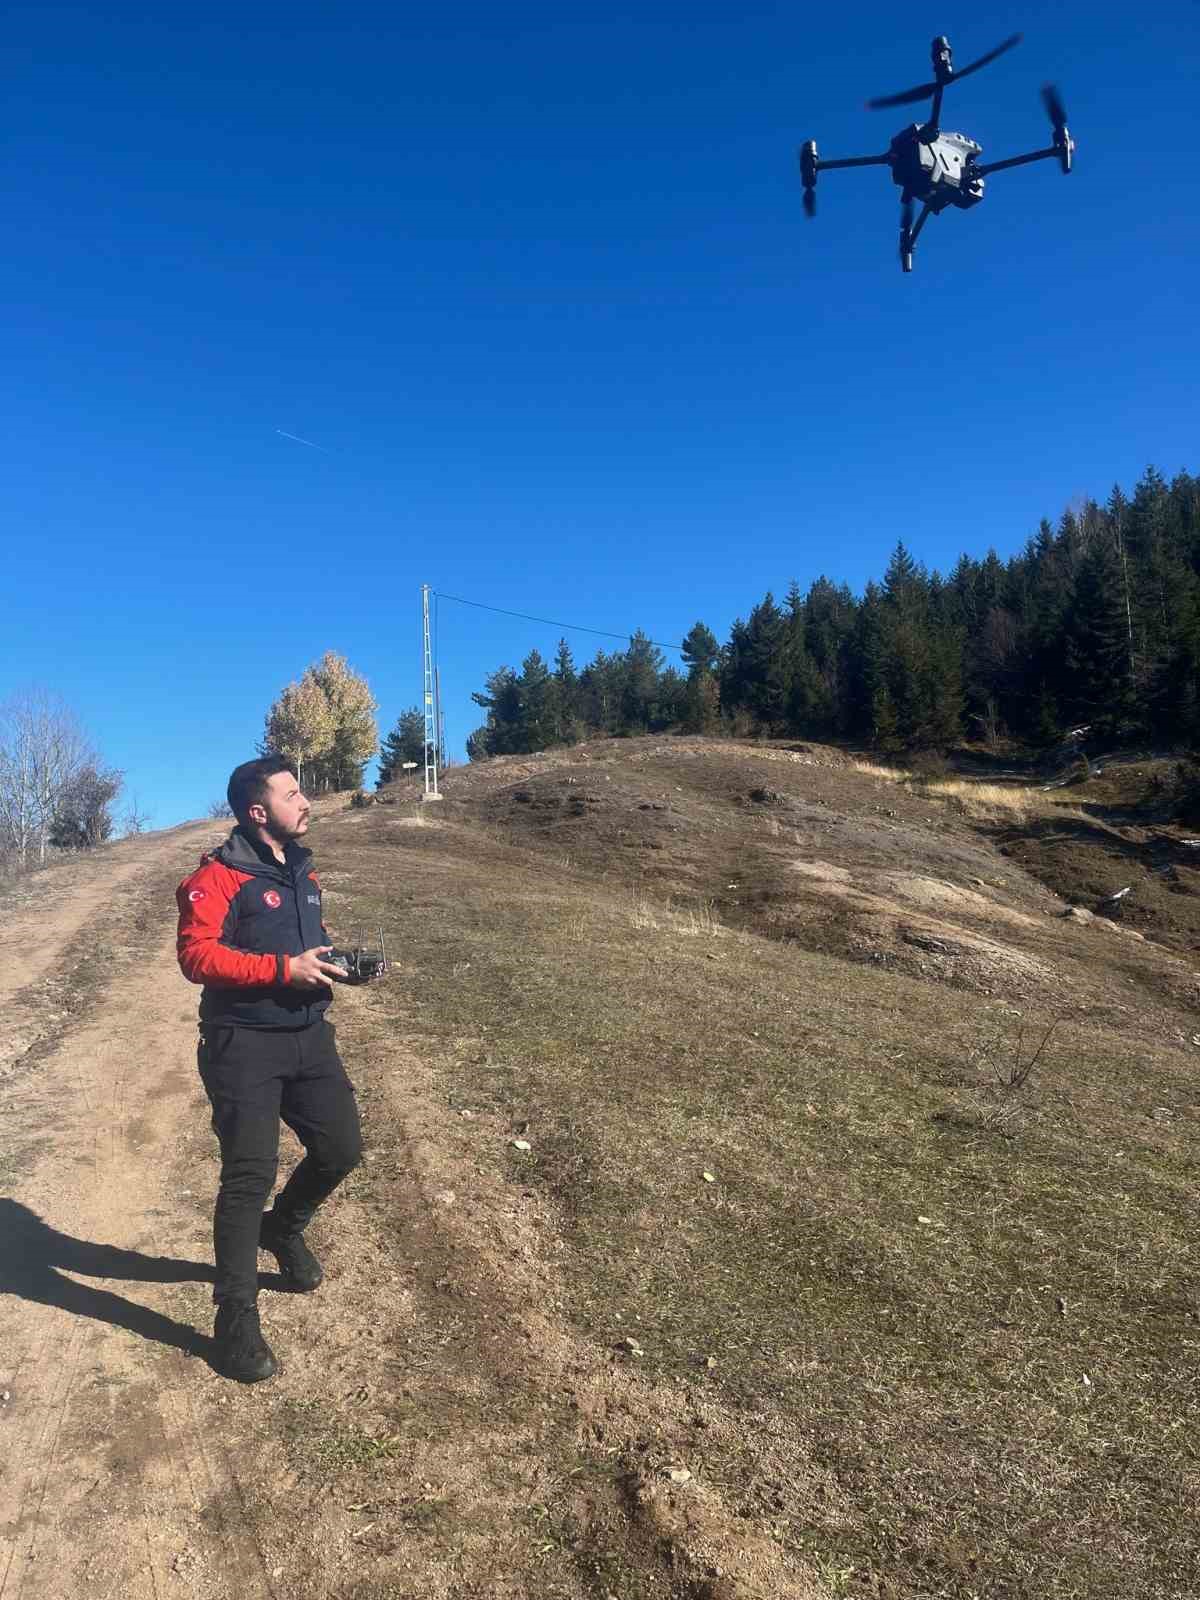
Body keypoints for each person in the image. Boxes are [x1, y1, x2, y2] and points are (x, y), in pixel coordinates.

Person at [175, 755, 377, 1382]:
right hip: (244, 1045)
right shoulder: (217, 875)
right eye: (293, 794)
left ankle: (282, 1230)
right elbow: (195, 955)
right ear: (258, 811)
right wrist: (278, 972)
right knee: (247, 1176)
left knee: (341, 1150)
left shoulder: (301, 871)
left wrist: (339, 964)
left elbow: (302, 944)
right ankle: (235, 1318)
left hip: (309, 1039)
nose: (306, 801)